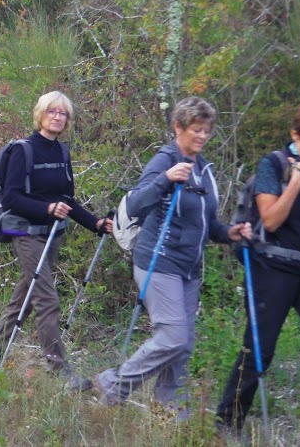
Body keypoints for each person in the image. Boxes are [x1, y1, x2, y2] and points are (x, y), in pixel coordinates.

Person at [94, 97, 251, 413]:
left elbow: (204, 224)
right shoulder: (165, 160)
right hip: (158, 261)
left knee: (184, 345)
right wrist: (166, 179)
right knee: (173, 338)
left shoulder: (203, 169)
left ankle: (169, 406)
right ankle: (113, 384)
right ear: (177, 127)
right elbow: (136, 203)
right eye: (196, 129)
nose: (202, 136)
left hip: (189, 269)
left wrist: (228, 233)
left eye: (206, 130)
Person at [0, 91, 113, 391]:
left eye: (63, 114)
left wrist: (95, 224)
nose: (57, 117)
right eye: (52, 111)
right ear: (41, 114)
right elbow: (12, 198)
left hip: (52, 235)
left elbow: (68, 200)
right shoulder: (23, 150)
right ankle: (59, 370)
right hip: (25, 232)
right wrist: (47, 209)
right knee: (47, 300)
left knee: (24, 297)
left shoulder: (62, 153)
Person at [215, 101, 300, 434]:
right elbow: (272, 219)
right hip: (272, 268)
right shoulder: (272, 164)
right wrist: (296, 181)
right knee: (260, 348)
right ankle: (228, 421)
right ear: (295, 135)